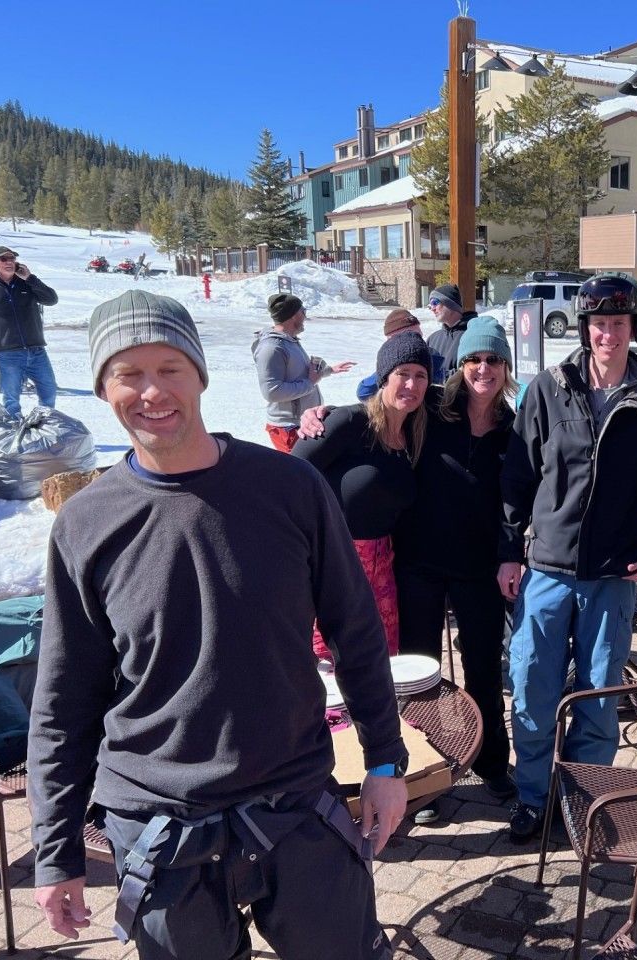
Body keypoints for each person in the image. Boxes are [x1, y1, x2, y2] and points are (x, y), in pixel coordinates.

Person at [27, 290, 408, 960]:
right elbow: (62, 700)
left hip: (294, 801)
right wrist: (55, 852)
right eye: (128, 373)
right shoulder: (86, 525)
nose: (152, 391)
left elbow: (357, 633)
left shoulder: (289, 487)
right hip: (157, 823)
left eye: (169, 368)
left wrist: (383, 759)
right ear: (102, 387)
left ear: (199, 374)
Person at [499, 273, 637, 841]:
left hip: (613, 574)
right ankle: (534, 797)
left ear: (635, 329)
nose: (608, 334)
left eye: (619, 324)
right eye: (599, 324)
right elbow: (519, 474)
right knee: (533, 688)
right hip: (548, 569)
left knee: (600, 700)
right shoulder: (548, 388)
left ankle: (584, 800)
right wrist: (509, 551)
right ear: (584, 327)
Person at [394, 318, 519, 822]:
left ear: (505, 368)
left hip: (479, 570)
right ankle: (427, 772)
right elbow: (375, 412)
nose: (482, 369)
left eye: (492, 360)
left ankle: (490, 763)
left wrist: (512, 553)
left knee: (484, 672)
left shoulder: (514, 428)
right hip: (420, 564)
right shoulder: (431, 412)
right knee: (421, 676)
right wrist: (318, 415)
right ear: (459, 365)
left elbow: (517, 502)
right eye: (473, 360)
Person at [293, 334, 432, 663]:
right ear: (384, 377)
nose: (411, 384)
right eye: (403, 373)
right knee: (328, 666)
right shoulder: (349, 422)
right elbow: (287, 477)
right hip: (335, 566)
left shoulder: (415, 433)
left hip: (384, 571)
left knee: (377, 666)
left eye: (421, 376)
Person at [252, 292, 355, 452]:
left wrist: (329, 370)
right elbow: (272, 392)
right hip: (288, 427)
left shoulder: (289, 341)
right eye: (303, 311)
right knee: (299, 474)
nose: (305, 316)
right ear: (293, 315)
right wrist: (310, 384)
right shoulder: (271, 348)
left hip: (301, 423)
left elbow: (301, 373)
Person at [0, 245, 59, 418]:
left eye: (12, 258)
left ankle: (44, 425)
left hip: (36, 350)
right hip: (7, 353)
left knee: (49, 391)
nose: (9, 262)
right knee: (11, 399)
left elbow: (51, 299)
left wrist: (31, 278)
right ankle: (14, 430)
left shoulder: (27, 283)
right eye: (4, 259)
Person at [355, 309, 447, 400]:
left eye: (418, 335)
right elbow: (364, 392)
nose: (418, 341)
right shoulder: (393, 362)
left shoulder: (431, 358)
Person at [426, 283, 476, 380]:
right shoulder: (432, 339)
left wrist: (440, 377)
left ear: (451, 304)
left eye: (435, 303)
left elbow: (473, 372)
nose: (432, 308)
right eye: (430, 305)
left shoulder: (472, 335)